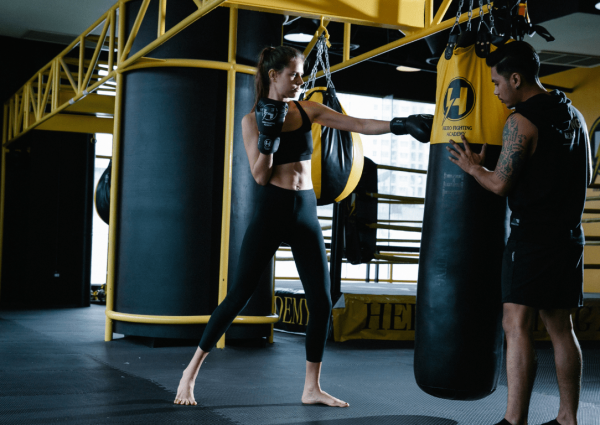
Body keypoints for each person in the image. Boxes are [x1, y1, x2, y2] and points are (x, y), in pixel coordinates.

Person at [173, 45, 433, 407]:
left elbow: (356, 124)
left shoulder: (307, 109)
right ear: (273, 75)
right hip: (273, 208)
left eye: (302, 73)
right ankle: (190, 372)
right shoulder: (250, 121)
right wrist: (269, 138)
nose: (300, 80)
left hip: (304, 210)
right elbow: (260, 176)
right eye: (294, 74)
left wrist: (399, 124)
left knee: (322, 301)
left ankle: (312, 387)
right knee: (238, 296)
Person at [447, 41, 591, 425]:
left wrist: (473, 167)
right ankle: (567, 419)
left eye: (497, 83)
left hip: (531, 239)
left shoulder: (520, 122)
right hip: (568, 238)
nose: (494, 90)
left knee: (516, 325)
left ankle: (514, 421)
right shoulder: (574, 115)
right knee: (562, 328)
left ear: (516, 78)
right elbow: (587, 174)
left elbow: (499, 186)